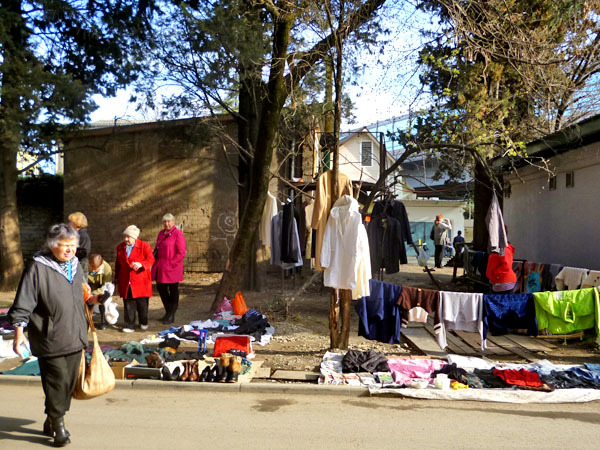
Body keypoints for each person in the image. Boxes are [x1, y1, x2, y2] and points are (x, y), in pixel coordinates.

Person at [8, 224, 99, 447]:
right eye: (64, 245)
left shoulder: (76, 266)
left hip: (75, 335)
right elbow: (23, 303)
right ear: (52, 245)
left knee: (68, 383)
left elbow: (81, 296)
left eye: (73, 245)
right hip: (50, 337)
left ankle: (51, 419)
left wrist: (94, 300)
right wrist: (19, 333)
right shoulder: (37, 268)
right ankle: (58, 426)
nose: (70, 250)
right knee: (56, 381)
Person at [115, 225, 154, 333]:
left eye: (128, 237)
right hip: (126, 280)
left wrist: (141, 264)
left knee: (142, 304)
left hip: (141, 280)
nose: (126, 239)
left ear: (135, 237)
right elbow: (118, 264)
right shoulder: (120, 247)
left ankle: (143, 322)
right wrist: (116, 279)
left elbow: (151, 259)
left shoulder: (144, 246)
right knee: (128, 303)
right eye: (125, 236)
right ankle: (129, 325)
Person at [151, 213, 186, 324]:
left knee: (173, 290)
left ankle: (171, 315)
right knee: (161, 289)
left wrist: (171, 263)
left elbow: (181, 253)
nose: (166, 224)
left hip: (172, 268)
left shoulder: (178, 234)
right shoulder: (161, 233)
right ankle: (168, 312)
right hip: (160, 266)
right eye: (165, 222)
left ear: (173, 222)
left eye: (169, 221)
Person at [88, 254, 113, 330]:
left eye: (95, 269)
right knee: (88, 304)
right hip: (89, 286)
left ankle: (103, 321)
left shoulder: (106, 267)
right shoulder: (85, 265)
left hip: (101, 287)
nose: (93, 270)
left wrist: (104, 294)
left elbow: (108, 284)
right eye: (92, 268)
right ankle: (88, 321)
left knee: (102, 302)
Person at [68, 212, 91, 276]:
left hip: (80, 264)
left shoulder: (83, 235)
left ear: (76, 223)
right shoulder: (75, 234)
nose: (69, 224)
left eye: (70, 222)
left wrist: (70, 253)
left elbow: (84, 252)